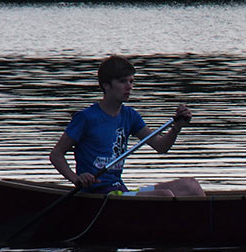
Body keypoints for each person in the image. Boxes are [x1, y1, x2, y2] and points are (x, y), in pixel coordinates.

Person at [49, 55, 205, 197]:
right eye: (122, 81)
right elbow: (56, 154)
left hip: (120, 191)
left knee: (191, 185)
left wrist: (176, 128)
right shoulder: (86, 118)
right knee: (164, 196)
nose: (129, 86)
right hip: (98, 193)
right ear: (106, 85)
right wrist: (76, 179)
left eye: (131, 81)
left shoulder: (130, 116)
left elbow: (161, 146)